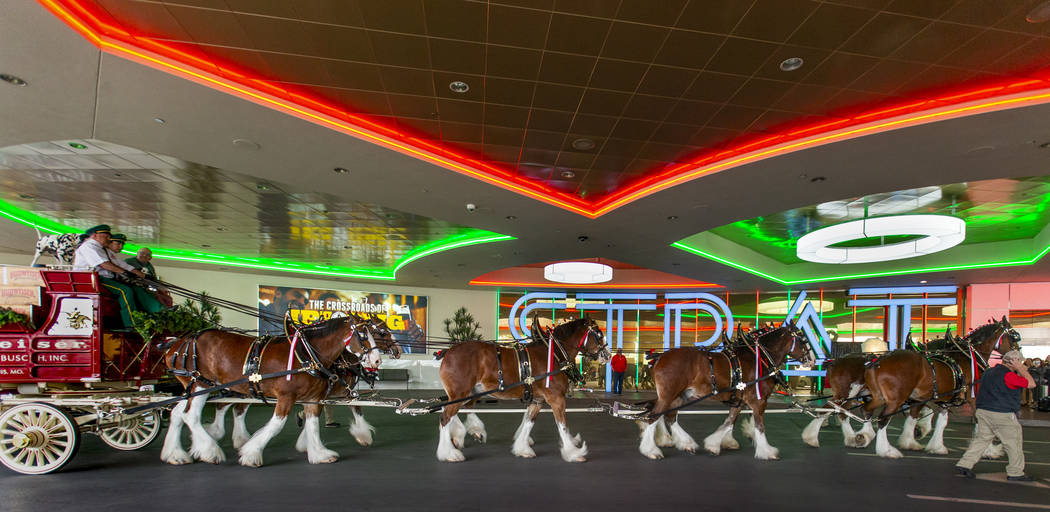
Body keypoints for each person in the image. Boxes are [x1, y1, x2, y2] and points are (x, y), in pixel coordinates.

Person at [955, 350, 1037, 481]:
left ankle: (965, 464)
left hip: (983, 411)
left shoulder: (988, 372)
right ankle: (1016, 472)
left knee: (982, 439)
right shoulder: (1008, 375)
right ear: (1013, 362)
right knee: (1013, 442)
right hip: (1001, 413)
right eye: (1019, 362)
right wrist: (1021, 369)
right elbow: (1031, 384)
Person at [73, 226, 154, 328]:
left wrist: (143, 275)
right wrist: (124, 273)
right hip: (94, 279)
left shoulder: (102, 249)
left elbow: (122, 265)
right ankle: (131, 324)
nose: (108, 239)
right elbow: (103, 264)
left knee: (135, 288)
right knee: (125, 291)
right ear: (94, 235)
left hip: (104, 278)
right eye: (106, 236)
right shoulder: (88, 247)